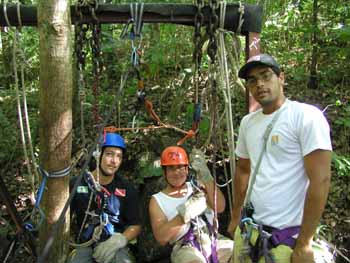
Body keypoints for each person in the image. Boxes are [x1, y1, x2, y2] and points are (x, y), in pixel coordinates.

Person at [227, 54, 333, 263]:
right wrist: (235, 216)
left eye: (266, 76)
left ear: (281, 78)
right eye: (252, 80)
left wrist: (304, 243)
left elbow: (320, 180)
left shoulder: (305, 116)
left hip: (285, 238)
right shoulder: (248, 123)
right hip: (250, 231)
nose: (260, 84)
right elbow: (243, 170)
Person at [149, 146, 233, 263]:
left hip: (212, 237)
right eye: (171, 168)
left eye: (180, 167)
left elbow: (220, 207)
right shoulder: (157, 200)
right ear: (164, 172)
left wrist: (206, 175)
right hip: (185, 246)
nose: (177, 172)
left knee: (237, 252)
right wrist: (185, 213)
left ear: (187, 169)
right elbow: (162, 238)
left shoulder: (197, 185)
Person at [69, 132, 141, 263]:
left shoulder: (127, 188)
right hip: (84, 245)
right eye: (109, 154)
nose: (114, 161)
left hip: (115, 243)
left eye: (119, 156)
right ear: (98, 155)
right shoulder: (78, 183)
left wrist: (121, 240)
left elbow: (135, 225)